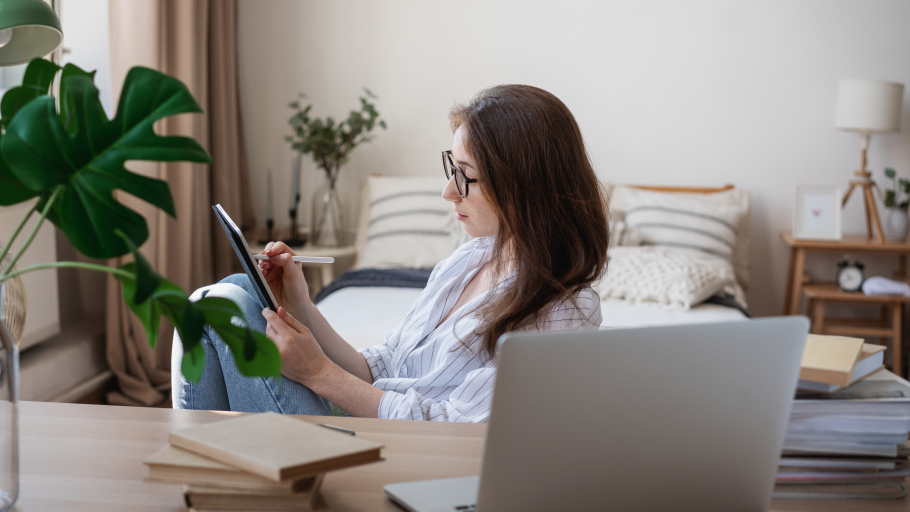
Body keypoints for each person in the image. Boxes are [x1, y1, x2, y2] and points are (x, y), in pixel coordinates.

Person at [172, 84, 610, 422]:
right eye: (450, 169)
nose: (447, 192)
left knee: (221, 307)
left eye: (464, 177)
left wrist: (318, 374)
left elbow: (464, 428)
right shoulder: (468, 261)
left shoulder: (565, 308)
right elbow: (378, 368)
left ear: (522, 187)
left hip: (403, 452)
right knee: (236, 288)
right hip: (370, 420)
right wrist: (299, 303)